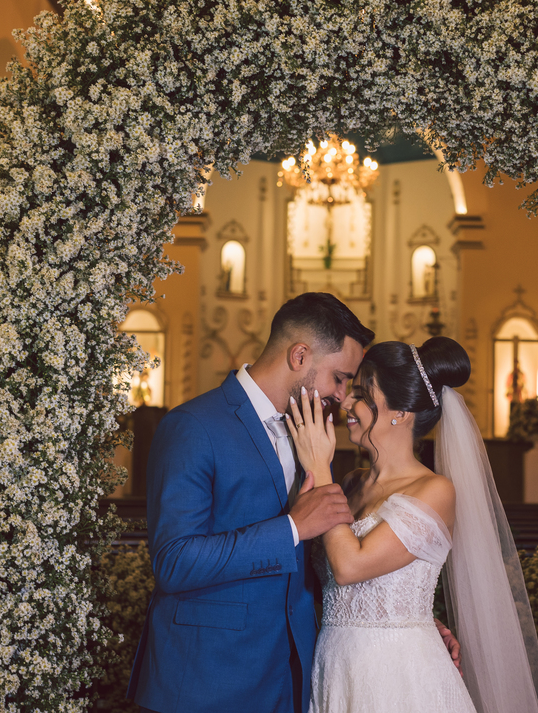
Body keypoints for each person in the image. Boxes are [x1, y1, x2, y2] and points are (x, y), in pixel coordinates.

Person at [128, 293, 459, 713]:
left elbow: (325, 567)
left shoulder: (309, 435)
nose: (342, 398)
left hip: (295, 675)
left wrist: (407, 620)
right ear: (300, 356)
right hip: (210, 677)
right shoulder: (194, 426)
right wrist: (291, 528)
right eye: (340, 379)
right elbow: (174, 562)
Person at [287, 337, 538, 713]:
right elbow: (328, 584)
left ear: (401, 413)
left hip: (399, 675)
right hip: (336, 664)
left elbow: (351, 567)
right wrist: (412, 613)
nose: (346, 402)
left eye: (362, 394)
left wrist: (319, 467)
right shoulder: (348, 484)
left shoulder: (435, 490)